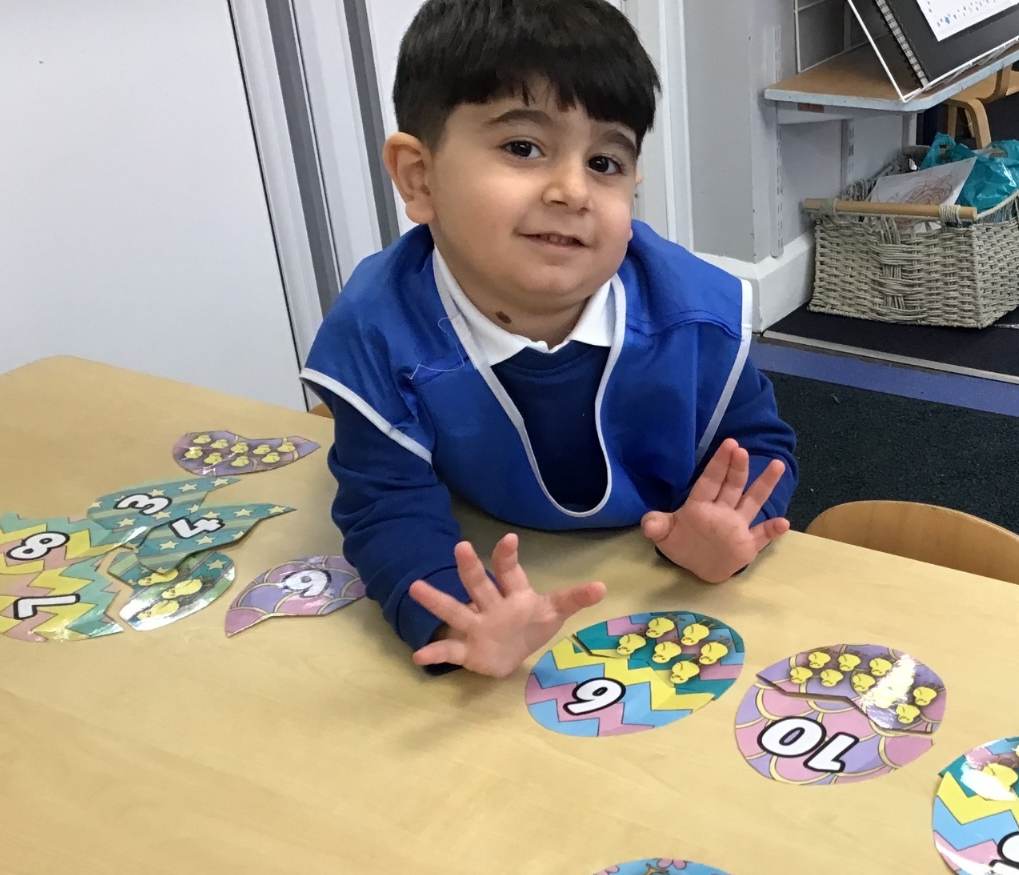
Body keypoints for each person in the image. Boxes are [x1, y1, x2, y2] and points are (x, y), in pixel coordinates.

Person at [301, 0, 797, 677]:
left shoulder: (695, 319)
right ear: (419, 177)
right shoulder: (378, 331)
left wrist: (725, 534)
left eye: (605, 162)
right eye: (523, 148)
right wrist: (460, 617)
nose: (572, 191)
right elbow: (384, 507)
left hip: (665, 597)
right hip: (509, 576)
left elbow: (759, 447)